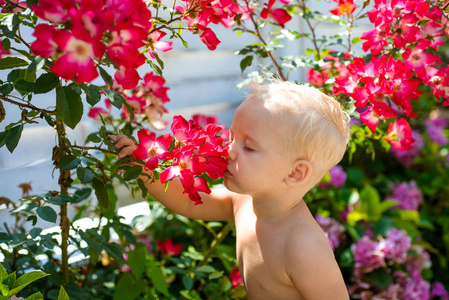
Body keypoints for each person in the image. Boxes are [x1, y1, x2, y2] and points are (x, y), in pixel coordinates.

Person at [109, 81, 351, 300]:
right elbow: (189, 203)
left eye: (248, 147)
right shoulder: (244, 201)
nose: (229, 150)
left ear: (295, 173)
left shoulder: (303, 246)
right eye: (232, 137)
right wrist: (145, 170)